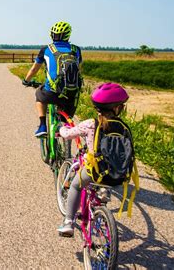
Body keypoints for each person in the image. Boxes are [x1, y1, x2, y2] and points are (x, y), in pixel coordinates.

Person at [57, 83, 134, 237]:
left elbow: (68, 134)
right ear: (118, 108)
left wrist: (61, 130)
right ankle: (103, 193)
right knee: (104, 178)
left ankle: (68, 221)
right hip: (119, 173)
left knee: (75, 186)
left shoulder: (91, 124)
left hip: (94, 170)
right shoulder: (124, 127)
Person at [22, 21, 83, 137]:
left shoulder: (46, 49)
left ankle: (42, 126)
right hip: (72, 94)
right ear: (68, 35)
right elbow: (79, 71)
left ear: (52, 34)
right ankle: (63, 135)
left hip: (51, 92)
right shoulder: (76, 50)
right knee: (66, 121)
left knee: (39, 94)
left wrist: (26, 80)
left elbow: (34, 70)